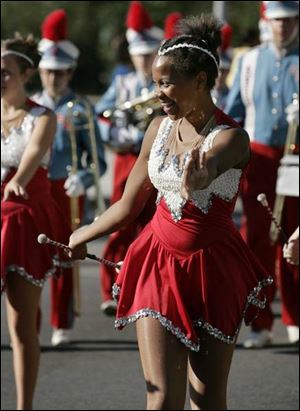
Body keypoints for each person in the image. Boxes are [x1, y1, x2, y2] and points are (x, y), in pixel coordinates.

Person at [68, 14, 273, 410]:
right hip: (156, 264)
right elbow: (129, 205)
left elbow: (210, 165)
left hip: (214, 270)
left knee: (207, 398)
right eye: (155, 82)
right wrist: (84, 232)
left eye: (166, 83)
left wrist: (200, 176)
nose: (157, 91)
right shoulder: (157, 129)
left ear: (199, 80)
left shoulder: (232, 137)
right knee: (160, 397)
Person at [1, 34, 71, 410]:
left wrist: (16, 181)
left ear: (25, 73)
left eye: (5, 73)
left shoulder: (41, 117)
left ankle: (23, 406)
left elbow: (26, 168)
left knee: (21, 325)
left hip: (22, 223)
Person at [225, 0, 299, 348]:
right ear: (266, 21)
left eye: (288, 20)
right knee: (256, 239)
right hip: (257, 158)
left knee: (292, 238)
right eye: (276, 20)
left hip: (296, 159)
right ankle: (260, 322)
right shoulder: (250, 60)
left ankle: (295, 317)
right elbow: (234, 113)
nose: (282, 27)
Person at [33, 9, 107, 346]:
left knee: (65, 253)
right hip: (34, 189)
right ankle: (29, 323)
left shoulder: (80, 108)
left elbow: (98, 161)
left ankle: (61, 322)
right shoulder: (29, 105)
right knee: (29, 259)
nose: (54, 78)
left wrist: (84, 179)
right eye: (49, 72)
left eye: (61, 73)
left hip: (65, 189)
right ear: (40, 71)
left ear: (71, 72)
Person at [95, 0, 162, 316]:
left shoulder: (164, 83)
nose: (143, 59)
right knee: (121, 222)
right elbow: (103, 118)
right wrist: (128, 136)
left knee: (154, 222)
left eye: (149, 53)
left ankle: (149, 286)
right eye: (139, 53)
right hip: (127, 159)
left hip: (157, 162)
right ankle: (112, 288)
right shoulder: (122, 83)